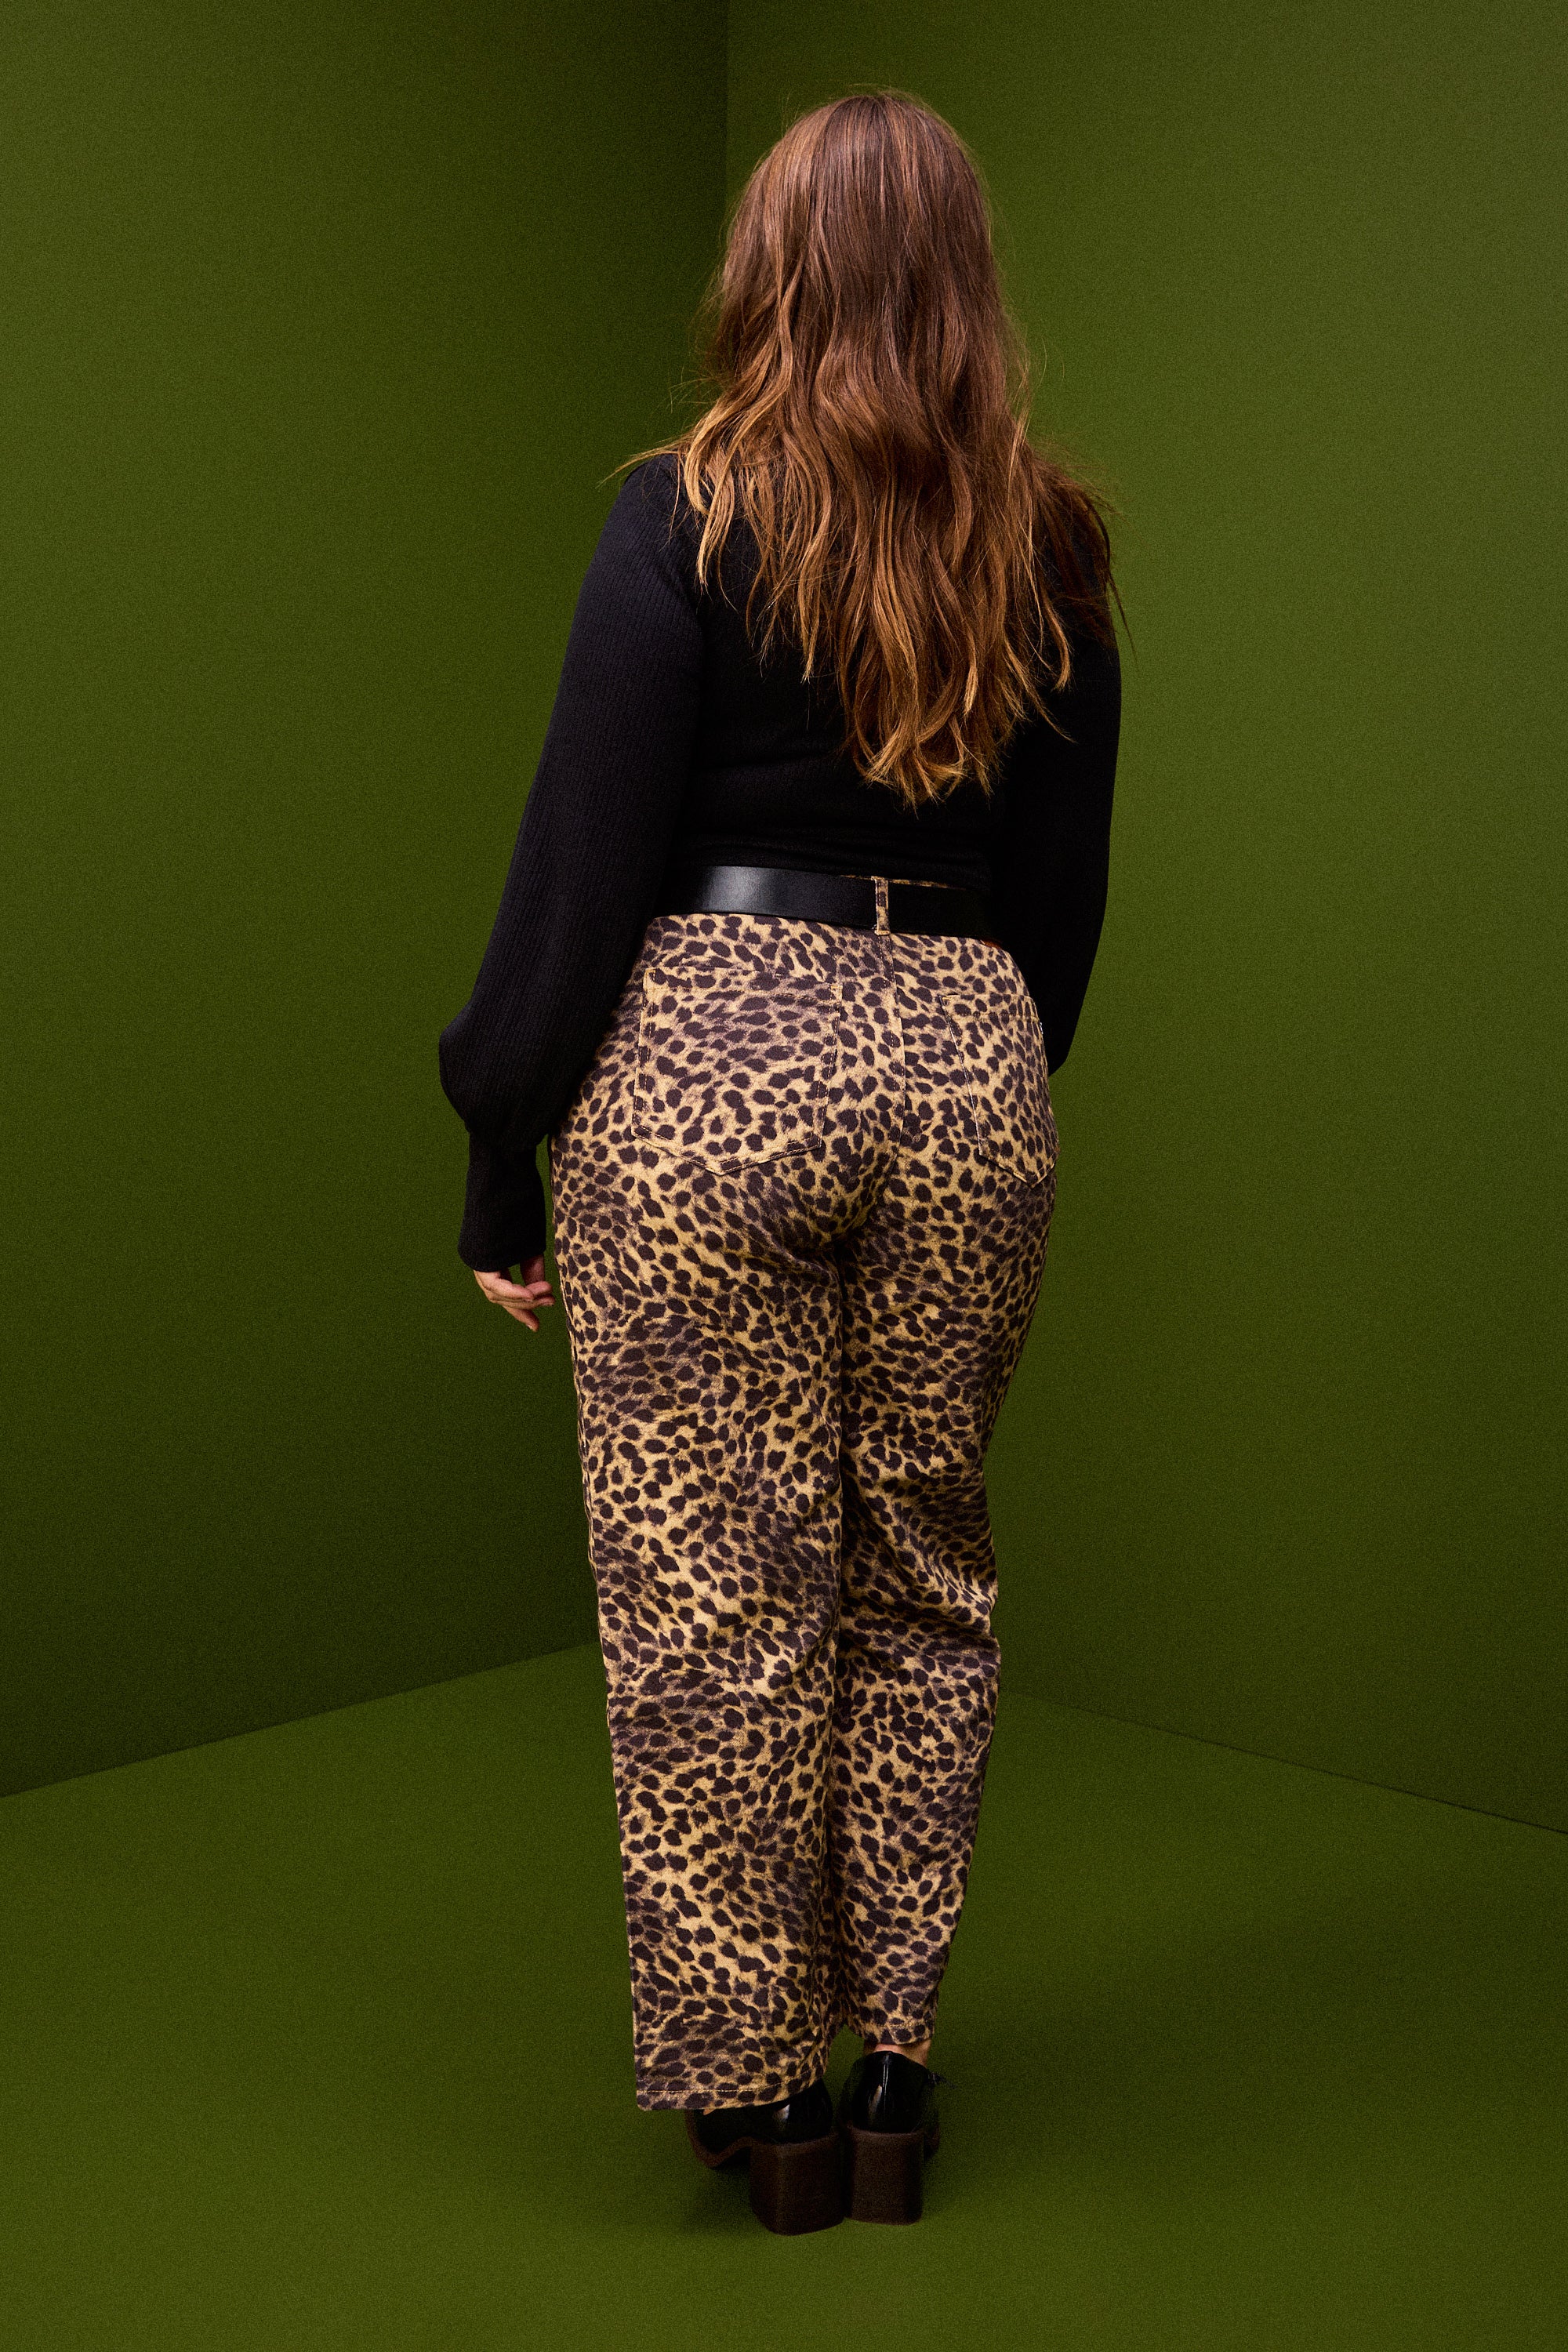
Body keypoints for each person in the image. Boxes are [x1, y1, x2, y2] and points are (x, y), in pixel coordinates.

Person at [438, 89, 1123, 2233]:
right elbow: (1063, 899)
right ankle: (896, 2063)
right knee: (924, 1575)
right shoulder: (1054, 545)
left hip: (712, 1051)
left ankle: (765, 2103)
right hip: (968, 1064)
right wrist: (969, 1079)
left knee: (718, 1596)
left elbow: (585, 863)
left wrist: (500, 1133)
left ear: (773, 273)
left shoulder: (685, 515)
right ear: (967, 290)